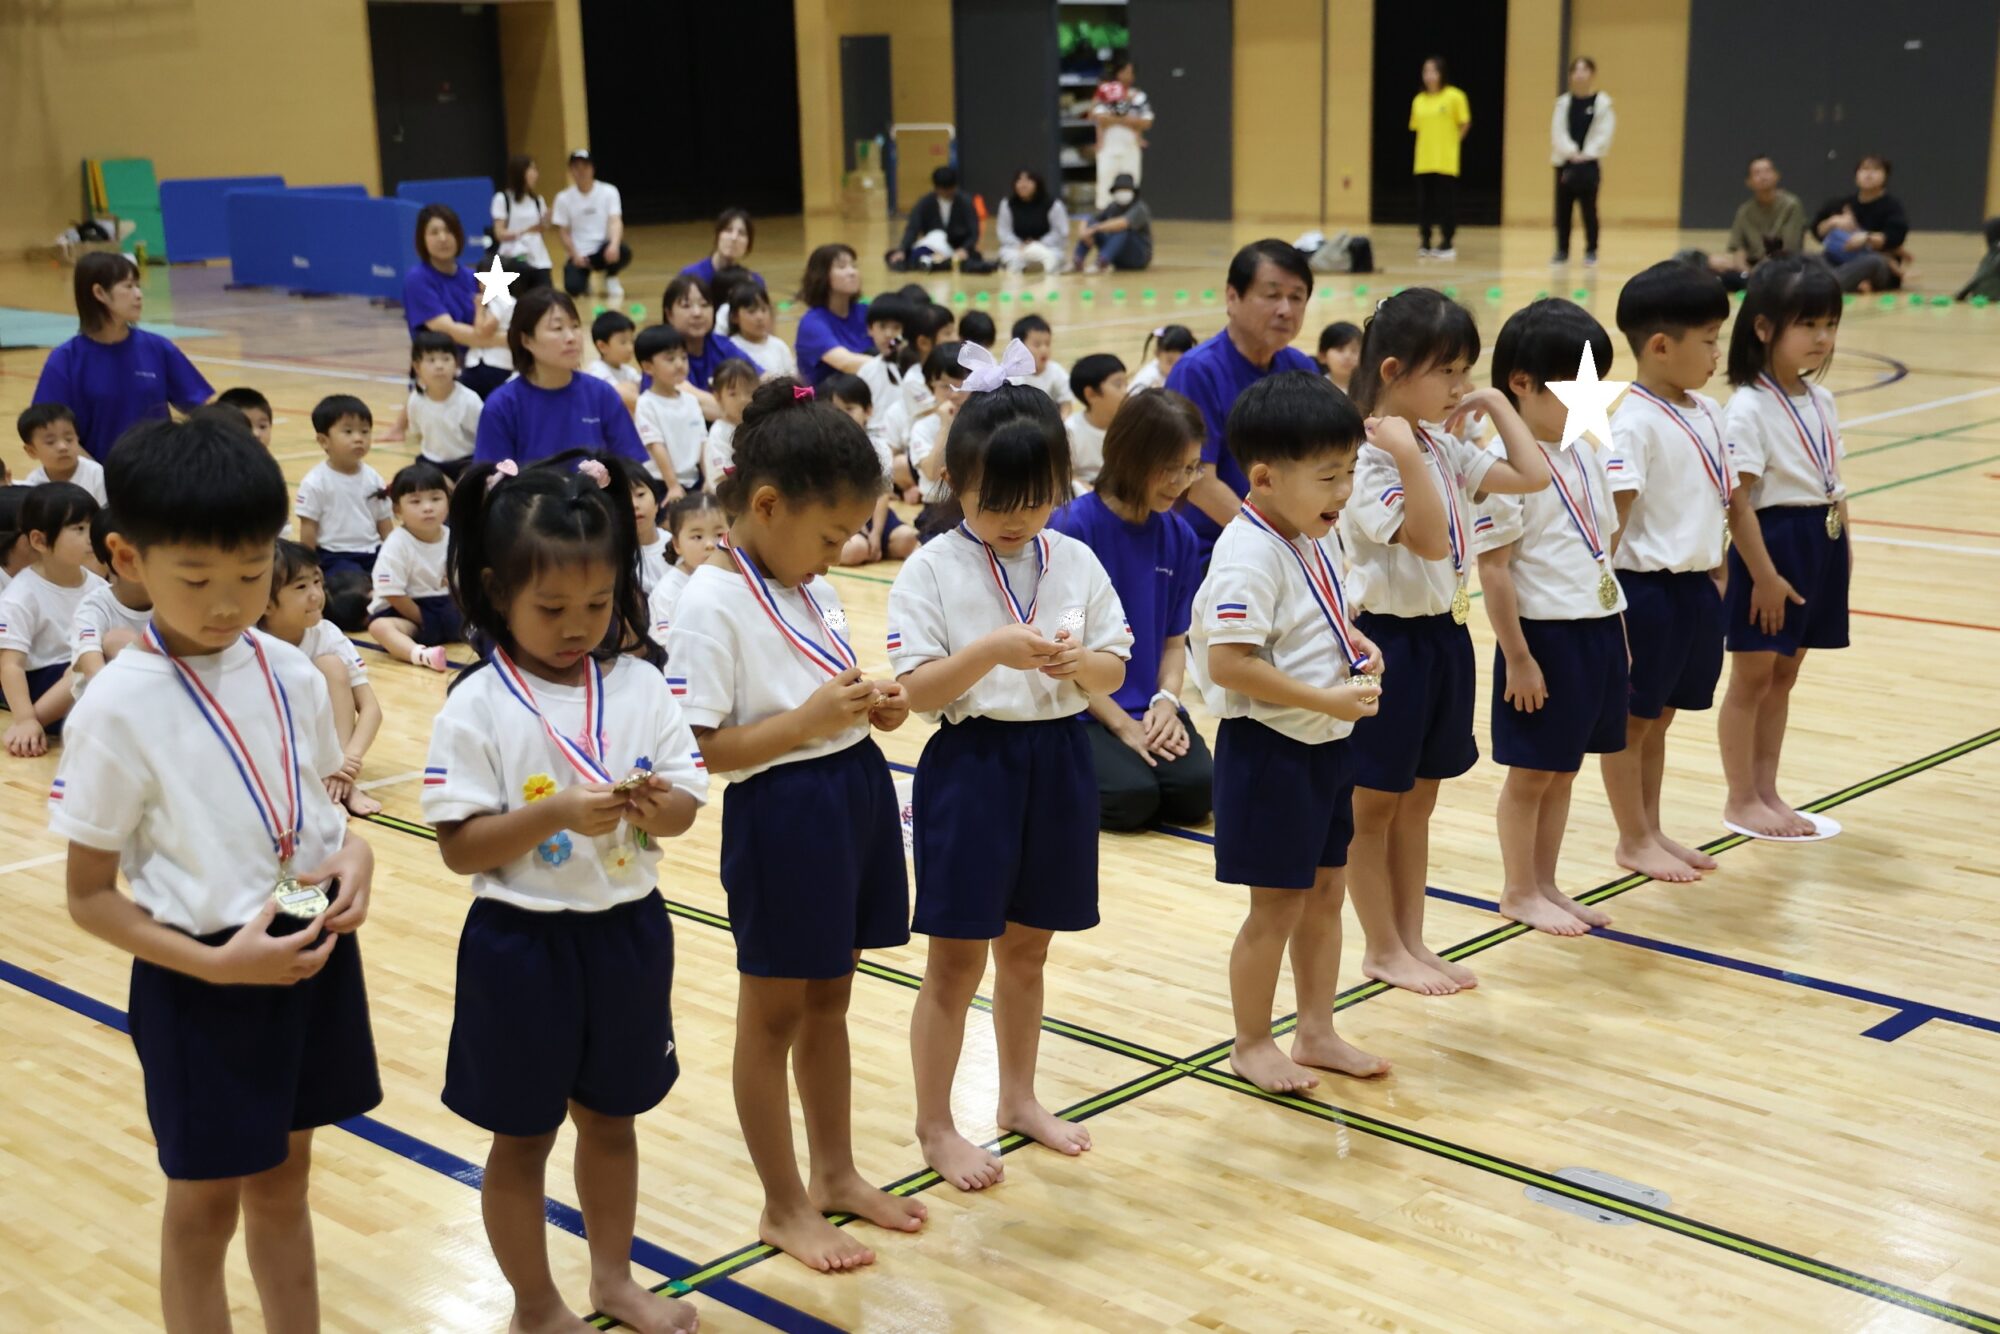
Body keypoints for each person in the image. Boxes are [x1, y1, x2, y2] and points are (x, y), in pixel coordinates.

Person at [50, 415, 379, 1333]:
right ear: (127, 558)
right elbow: (87, 897)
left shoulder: (291, 672)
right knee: (203, 1209)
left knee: (286, 1180)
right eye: (197, 579)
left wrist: (354, 856)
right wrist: (217, 967)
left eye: (251, 573)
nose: (228, 603)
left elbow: (315, 818)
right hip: (201, 975)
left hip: (304, 939)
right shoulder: (116, 706)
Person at [425, 453, 704, 1334]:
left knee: (614, 1123)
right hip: (521, 946)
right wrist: (550, 818)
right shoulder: (477, 704)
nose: (577, 626)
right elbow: (459, 849)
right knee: (522, 1139)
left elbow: (686, 810)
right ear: (494, 592)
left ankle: (613, 1281)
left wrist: (660, 807)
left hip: (628, 934)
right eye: (551, 609)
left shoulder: (642, 684)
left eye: (597, 603)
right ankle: (535, 1304)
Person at [667, 379, 925, 1270]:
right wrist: (810, 721)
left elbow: (814, 687)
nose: (836, 553)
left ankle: (835, 1173)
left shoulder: (801, 579)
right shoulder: (710, 601)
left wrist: (867, 705)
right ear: (768, 505)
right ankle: (782, 1204)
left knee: (830, 1000)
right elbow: (699, 747)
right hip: (782, 815)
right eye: (828, 536)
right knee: (771, 1015)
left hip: (850, 790)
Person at [890, 371, 1131, 1192]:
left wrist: (1080, 664)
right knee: (955, 962)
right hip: (972, 767)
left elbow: (1114, 666)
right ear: (954, 482)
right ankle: (935, 1124)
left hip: (1058, 760)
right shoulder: (930, 568)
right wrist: (991, 650)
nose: (1016, 518)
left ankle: (1018, 1098)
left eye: (1034, 499)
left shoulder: (1076, 559)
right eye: (995, 501)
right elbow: (915, 693)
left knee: (1028, 951)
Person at [1338, 287, 1551, 995]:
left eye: (1466, 371)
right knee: (1374, 803)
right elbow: (1428, 540)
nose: (1459, 386)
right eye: (1449, 372)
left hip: (1444, 637)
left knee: (1419, 800)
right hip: (1385, 642)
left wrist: (1494, 404)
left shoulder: (1438, 442)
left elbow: (1532, 474)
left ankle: (1412, 939)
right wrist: (1405, 456)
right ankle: (1380, 947)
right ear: (1394, 370)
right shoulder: (1367, 455)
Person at [1191, 371, 1388, 1092]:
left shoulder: (1309, 535)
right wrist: (1322, 698)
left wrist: (1357, 643)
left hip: (1323, 745)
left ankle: (1316, 1030)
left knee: (1327, 892)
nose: (1345, 491)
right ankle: (1250, 1042)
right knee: (1274, 908)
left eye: (1351, 472)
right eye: (1329, 476)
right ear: (1266, 478)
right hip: (1269, 754)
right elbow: (1230, 663)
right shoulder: (1247, 554)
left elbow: (1311, 623)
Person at [1474, 300, 1630, 936]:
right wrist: (1518, 656)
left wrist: (1617, 631)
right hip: (1543, 638)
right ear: (1522, 383)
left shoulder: (1582, 452)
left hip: (1595, 628)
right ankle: (1518, 889)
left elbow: (1602, 551)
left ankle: (1546, 883)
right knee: (1532, 772)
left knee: (1564, 769)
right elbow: (1494, 570)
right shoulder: (1501, 466)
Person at [1604, 260, 1734, 882]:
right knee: (1633, 723)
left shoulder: (1708, 411)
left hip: (1694, 589)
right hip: (1645, 593)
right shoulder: (1631, 422)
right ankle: (1632, 838)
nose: (1717, 354)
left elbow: (1717, 500)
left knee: (1662, 719)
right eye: (1708, 341)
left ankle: (1651, 828)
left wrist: (1720, 573)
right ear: (1660, 346)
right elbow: (1614, 525)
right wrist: (1609, 608)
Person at [1717, 255, 1850, 838]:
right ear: (1765, 327)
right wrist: (1765, 576)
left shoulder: (1821, 400)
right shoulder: (1748, 406)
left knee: (1784, 676)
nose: (1822, 337)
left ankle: (1767, 790)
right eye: (1809, 324)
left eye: (1830, 324)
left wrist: (1845, 552)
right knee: (1752, 678)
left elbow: (1834, 482)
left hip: (1821, 542)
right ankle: (1741, 797)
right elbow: (1737, 502)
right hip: (1771, 547)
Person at [1052, 389, 1213, 831]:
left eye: (1191, 468)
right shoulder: (1073, 529)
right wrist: (1124, 726)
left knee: (1197, 790)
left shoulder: (1179, 537)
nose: (1180, 482)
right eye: (1169, 468)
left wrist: (1167, 703)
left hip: (1148, 704)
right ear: (1131, 455)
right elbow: (1063, 652)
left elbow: (1174, 643)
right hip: (1082, 705)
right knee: (1132, 798)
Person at [1167, 239, 1319, 561]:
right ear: (1232, 297)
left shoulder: (1302, 368)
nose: (1285, 310)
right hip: (1214, 552)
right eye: (1272, 295)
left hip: (1287, 543)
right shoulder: (1197, 372)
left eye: (1296, 297)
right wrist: (1274, 544)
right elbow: (1198, 482)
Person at [30, 252, 213, 460]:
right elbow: (47, 431)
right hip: (98, 475)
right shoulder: (65, 360)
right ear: (99, 293)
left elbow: (200, 410)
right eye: (128, 286)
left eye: (138, 286)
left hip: (160, 473)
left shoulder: (158, 348)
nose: (139, 294)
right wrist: (97, 475)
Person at [259, 541, 384, 817]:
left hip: (329, 755)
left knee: (331, 665)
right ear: (265, 602)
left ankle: (339, 784)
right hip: (275, 755)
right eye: (301, 587)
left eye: (317, 582)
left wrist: (346, 762)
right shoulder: (248, 643)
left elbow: (371, 709)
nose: (316, 595)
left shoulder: (326, 635)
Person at [474, 287, 649, 467]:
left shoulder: (602, 394)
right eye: (557, 328)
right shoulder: (502, 406)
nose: (571, 337)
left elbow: (632, 467)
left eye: (575, 326)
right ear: (526, 340)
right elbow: (492, 478)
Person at [0, 482, 103, 755]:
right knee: (88, 661)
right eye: (79, 529)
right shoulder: (21, 595)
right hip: (41, 684)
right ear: (40, 541)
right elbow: (10, 664)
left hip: (81, 676)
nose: (91, 537)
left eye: (93, 526)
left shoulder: (97, 586)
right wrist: (25, 719)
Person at [294, 394, 391, 630]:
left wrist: (394, 557)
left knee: (399, 583)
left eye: (365, 431)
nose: (359, 438)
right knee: (350, 592)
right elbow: (308, 531)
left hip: (373, 553)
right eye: (348, 432)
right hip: (336, 557)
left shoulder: (373, 478)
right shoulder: (315, 482)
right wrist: (309, 569)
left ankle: (376, 603)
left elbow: (384, 524)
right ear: (323, 440)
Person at [401, 204, 510, 398]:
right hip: (439, 374)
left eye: (449, 230)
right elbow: (450, 331)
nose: (443, 238)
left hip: (478, 368)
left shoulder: (474, 278)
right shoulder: (417, 280)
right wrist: (511, 340)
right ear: (422, 239)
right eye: (434, 232)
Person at [366, 461, 459, 672]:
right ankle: (421, 654)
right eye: (415, 501)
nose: (428, 507)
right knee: (380, 627)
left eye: (436, 499)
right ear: (397, 509)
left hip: (445, 604)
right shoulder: (397, 544)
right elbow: (393, 594)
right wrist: (424, 620)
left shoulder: (454, 538)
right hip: (409, 610)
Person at [821, 373, 917, 566]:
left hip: (874, 515)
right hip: (840, 516)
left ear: (868, 410)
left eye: (849, 409)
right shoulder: (823, 449)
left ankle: (874, 546)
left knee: (908, 539)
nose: (843, 417)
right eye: (836, 411)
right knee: (855, 550)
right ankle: (865, 547)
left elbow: (882, 494)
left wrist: (876, 533)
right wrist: (855, 526)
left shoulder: (879, 448)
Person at [70, 507, 152, 686]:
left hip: (162, 690)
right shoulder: (94, 607)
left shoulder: (173, 598)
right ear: (121, 559)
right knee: (116, 641)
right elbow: (93, 671)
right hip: (110, 695)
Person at [1551, 57, 1615, 266]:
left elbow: (1604, 133)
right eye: (1576, 70)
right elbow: (1558, 132)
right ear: (1571, 75)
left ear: (1592, 74)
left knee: (1589, 209)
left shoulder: (1602, 103)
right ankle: (1562, 250)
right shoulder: (1563, 103)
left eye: (1584, 70)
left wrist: (1587, 153)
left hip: (1589, 163)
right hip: (1566, 163)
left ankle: (1591, 250)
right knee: (1563, 210)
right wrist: (1571, 152)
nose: (1580, 74)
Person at [1812, 155, 1909, 293]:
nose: (1868, 174)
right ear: (1856, 176)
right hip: (1839, 260)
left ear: (1886, 177)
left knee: (1873, 262)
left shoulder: (1892, 207)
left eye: (1875, 170)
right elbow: (1817, 231)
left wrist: (1866, 238)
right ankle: (1849, 282)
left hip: (1874, 263)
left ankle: (1828, 284)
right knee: (1808, 258)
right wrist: (1832, 222)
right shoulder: (1842, 203)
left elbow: (1895, 237)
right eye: (1864, 169)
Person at [1709, 156, 1808, 290]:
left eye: (1767, 171)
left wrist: (1758, 270)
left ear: (1777, 176)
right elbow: (1738, 248)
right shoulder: (1745, 210)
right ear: (1749, 182)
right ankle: (1750, 282)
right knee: (1714, 264)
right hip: (1752, 266)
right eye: (1757, 173)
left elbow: (1788, 248)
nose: (1763, 176)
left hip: (1782, 263)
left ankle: (1751, 283)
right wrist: (1745, 270)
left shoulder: (1791, 205)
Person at [632, 325, 707, 497]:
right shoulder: (646, 403)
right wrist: (673, 485)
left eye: (683, 357)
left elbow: (703, 443)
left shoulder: (691, 400)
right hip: (662, 483)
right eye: (670, 359)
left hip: (694, 481)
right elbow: (656, 446)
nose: (680, 364)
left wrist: (708, 479)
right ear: (648, 367)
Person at [1409, 56, 1472, 261]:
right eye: (1425, 71)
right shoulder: (1419, 100)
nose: (1429, 76)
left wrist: (1453, 142)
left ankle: (1447, 243)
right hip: (1424, 160)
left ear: (1442, 73)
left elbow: (1465, 122)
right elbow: (1416, 127)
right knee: (1424, 204)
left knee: (1446, 203)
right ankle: (1425, 242)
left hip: (1445, 160)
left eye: (1433, 71)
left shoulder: (1455, 96)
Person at [646, 490, 727, 644]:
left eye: (719, 535)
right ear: (677, 544)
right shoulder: (668, 590)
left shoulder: (737, 577)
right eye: (697, 537)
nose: (710, 544)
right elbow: (664, 642)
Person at [404, 329, 484, 481]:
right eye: (431, 360)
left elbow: (483, 439)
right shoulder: (415, 400)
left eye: (446, 359)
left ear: (456, 363)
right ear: (417, 367)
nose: (439, 366)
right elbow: (417, 434)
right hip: (431, 462)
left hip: (465, 461)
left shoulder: (469, 400)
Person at [553, 149, 632, 301]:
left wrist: (614, 245)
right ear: (570, 171)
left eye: (585, 167)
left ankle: (611, 276)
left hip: (603, 250)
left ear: (592, 169)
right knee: (573, 288)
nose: (581, 171)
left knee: (623, 251)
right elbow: (563, 232)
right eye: (576, 167)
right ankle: (584, 280)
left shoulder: (609, 191)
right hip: (580, 253)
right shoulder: (563, 198)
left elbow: (615, 220)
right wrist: (575, 255)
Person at [795, 244, 875, 387]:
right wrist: (889, 364)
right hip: (826, 397)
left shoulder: (865, 311)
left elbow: (892, 341)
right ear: (822, 275)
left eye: (854, 266)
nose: (852, 272)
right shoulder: (812, 323)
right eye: (842, 267)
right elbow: (846, 363)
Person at [662, 273, 757, 394]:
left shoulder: (722, 345)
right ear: (669, 314)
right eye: (686, 306)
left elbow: (758, 377)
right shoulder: (660, 353)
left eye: (704, 305)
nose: (697, 313)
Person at [886, 167, 982, 273]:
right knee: (918, 250)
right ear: (936, 188)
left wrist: (964, 248)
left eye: (949, 189)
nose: (947, 193)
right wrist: (903, 249)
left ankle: (938, 262)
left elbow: (974, 232)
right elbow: (913, 228)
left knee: (970, 259)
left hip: (958, 248)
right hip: (933, 246)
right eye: (943, 190)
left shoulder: (965, 202)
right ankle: (932, 261)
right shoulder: (925, 203)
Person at [1092, 53, 1154, 210]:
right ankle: (1104, 218)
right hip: (1109, 146)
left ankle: (1130, 220)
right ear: (1118, 73)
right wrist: (1129, 119)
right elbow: (1100, 118)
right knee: (1105, 185)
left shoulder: (1139, 96)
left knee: (1131, 185)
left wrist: (1117, 118)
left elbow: (1146, 122)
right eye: (1126, 71)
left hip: (1130, 146)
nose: (1129, 76)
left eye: (1132, 72)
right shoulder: (1105, 92)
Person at [18, 403, 107, 505]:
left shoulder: (96, 474)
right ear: (31, 451)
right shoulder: (33, 482)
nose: (63, 447)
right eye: (50, 442)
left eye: (69, 439)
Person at [490, 154, 553, 289]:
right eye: (532, 169)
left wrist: (547, 219)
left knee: (545, 295)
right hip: (515, 256)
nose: (536, 174)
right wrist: (525, 231)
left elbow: (541, 229)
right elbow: (499, 233)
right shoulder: (503, 199)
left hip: (539, 257)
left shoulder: (537, 200)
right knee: (521, 279)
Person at [1065, 353, 1128, 491]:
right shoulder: (1070, 431)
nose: (1126, 391)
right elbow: (1064, 476)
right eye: (1118, 385)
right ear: (1090, 394)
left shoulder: (1132, 424)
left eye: (1126, 384)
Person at [1069, 174, 1153, 273]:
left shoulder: (1140, 208)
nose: (1122, 193)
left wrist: (1095, 229)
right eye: (1119, 189)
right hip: (1118, 256)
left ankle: (1102, 262)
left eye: (1126, 189)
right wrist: (1083, 231)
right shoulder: (1113, 207)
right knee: (1092, 224)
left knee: (1120, 229)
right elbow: (1091, 218)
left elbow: (1123, 223)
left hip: (1138, 256)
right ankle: (1078, 260)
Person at [997, 169, 1071, 274]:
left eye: (1028, 181)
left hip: (1047, 247)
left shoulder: (1053, 205)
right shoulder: (1007, 205)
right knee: (1013, 259)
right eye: (1019, 181)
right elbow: (1004, 232)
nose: (1023, 185)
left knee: (1050, 258)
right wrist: (1019, 244)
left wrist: (1038, 244)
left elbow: (1060, 232)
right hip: (1018, 249)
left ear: (1037, 184)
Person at [702, 358, 760, 486]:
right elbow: (721, 478)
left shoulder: (761, 424)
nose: (743, 399)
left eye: (749, 392)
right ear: (718, 397)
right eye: (733, 394)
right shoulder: (719, 433)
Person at [681, 208, 764, 296]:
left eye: (742, 233)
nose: (734, 238)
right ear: (717, 236)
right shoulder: (691, 275)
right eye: (728, 230)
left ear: (748, 244)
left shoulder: (753, 282)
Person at [1009, 314, 1076, 418]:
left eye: (1047, 344)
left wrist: (1062, 421)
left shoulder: (1055, 371)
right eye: (1037, 345)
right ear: (1019, 347)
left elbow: (1066, 403)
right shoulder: (1013, 376)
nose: (1044, 350)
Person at [726, 281, 795, 377]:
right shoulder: (730, 347)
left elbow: (792, 378)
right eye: (751, 311)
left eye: (764, 310)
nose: (760, 317)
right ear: (734, 317)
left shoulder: (779, 346)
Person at [584, 310, 643, 407]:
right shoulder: (596, 371)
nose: (630, 348)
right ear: (602, 346)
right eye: (623, 342)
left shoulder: (628, 370)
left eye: (632, 342)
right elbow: (625, 397)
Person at [1127, 324, 1193, 394]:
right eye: (1169, 361)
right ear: (1157, 354)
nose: (1174, 368)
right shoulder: (1147, 380)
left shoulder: (1190, 371)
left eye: (1180, 362)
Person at [1316, 322, 1362, 393]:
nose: (1347, 356)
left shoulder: (1370, 388)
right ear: (1323, 356)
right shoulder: (1317, 389)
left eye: (1354, 350)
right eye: (1340, 349)